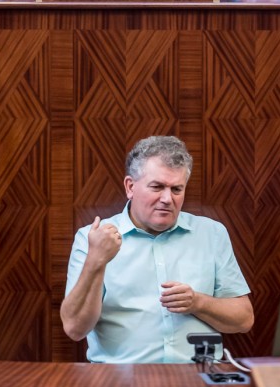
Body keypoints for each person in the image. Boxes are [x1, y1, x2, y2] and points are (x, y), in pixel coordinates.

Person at [61, 135, 254, 363]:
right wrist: (96, 260)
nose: (167, 199)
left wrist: (197, 303)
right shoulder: (92, 238)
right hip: (119, 377)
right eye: (157, 187)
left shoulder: (212, 233)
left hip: (197, 374)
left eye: (177, 189)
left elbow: (244, 319)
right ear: (130, 187)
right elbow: (75, 329)